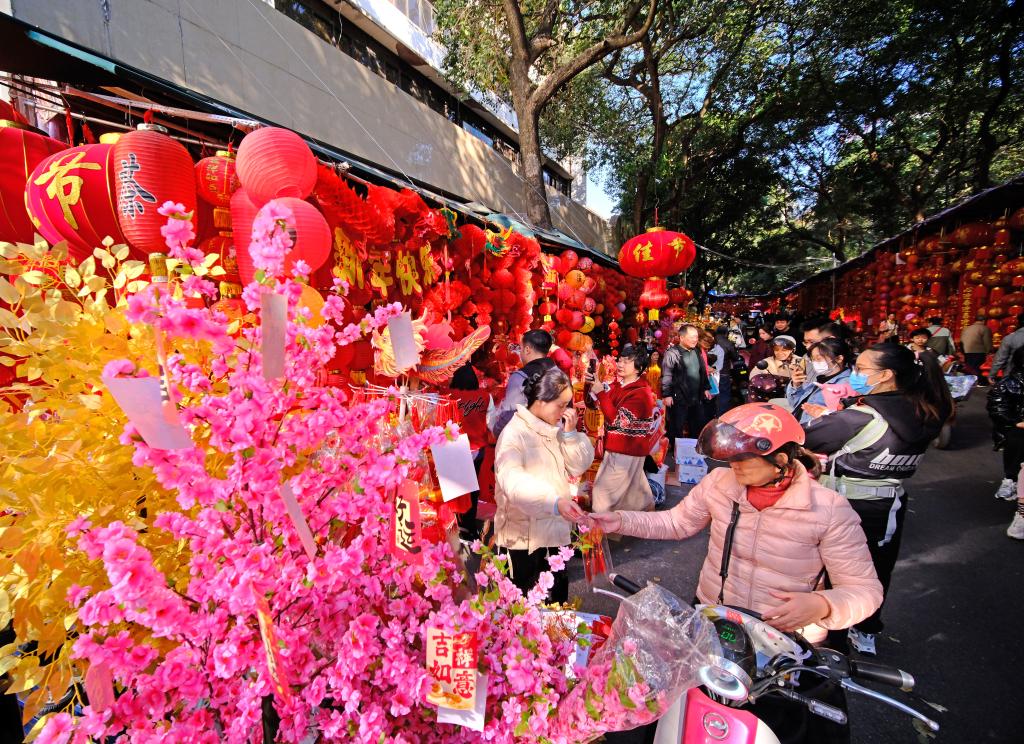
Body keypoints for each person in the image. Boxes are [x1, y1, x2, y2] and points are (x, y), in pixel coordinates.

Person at [591, 403, 882, 744]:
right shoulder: (719, 483)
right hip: (713, 625)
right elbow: (676, 522)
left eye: (743, 459)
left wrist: (822, 605)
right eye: (730, 458)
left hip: (784, 648)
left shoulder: (829, 510)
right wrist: (620, 520)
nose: (733, 466)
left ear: (781, 459)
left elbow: (864, 590)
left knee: (774, 728)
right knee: (687, 719)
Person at [803, 343, 952, 655]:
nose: (855, 374)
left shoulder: (860, 417)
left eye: (861, 369)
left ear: (886, 375)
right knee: (876, 571)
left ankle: (833, 645)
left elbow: (807, 437)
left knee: (834, 576)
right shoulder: (926, 410)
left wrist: (827, 419)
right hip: (889, 506)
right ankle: (866, 629)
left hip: (845, 506)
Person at [493, 364, 594, 602]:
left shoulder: (555, 430)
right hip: (522, 542)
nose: (565, 411)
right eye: (560, 405)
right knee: (522, 612)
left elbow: (578, 466)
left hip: (555, 534)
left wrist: (570, 435)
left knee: (555, 610)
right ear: (540, 400)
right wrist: (554, 502)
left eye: (567, 405)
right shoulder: (514, 434)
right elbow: (514, 483)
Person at [591, 344, 658, 513]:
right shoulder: (620, 386)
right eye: (620, 360)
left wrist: (600, 393)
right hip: (624, 447)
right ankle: (645, 517)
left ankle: (599, 525)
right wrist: (592, 386)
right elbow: (596, 403)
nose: (620, 364)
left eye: (627, 362)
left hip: (625, 449)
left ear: (638, 368)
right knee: (634, 492)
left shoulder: (641, 393)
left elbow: (617, 421)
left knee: (602, 494)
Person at [449, 363, 493, 541]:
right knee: (473, 489)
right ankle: (469, 527)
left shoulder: (449, 395)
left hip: (455, 447)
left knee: (457, 489)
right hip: (478, 448)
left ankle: (457, 524)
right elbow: (491, 421)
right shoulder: (485, 396)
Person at [489, 329, 553, 438]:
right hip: (553, 438)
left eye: (521, 348)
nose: (520, 353)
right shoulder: (560, 374)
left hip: (529, 441)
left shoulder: (520, 377)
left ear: (527, 350)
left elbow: (509, 415)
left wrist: (496, 430)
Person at [661, 325, 712, 458]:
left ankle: (694, 451)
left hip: (696, 396)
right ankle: (677, 452)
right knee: (677, 425)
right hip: (679, 395)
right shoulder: (672, 353)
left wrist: (706, 388)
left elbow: (702, 371)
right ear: (682, 338)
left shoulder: (696, 351)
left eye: (696, 337)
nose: (695, 340)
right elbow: (667, 374)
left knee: (697, 423)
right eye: (692, 337)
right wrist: (667, 394)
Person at [985, 345, 1024, 502]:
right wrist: (1017, 422)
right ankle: (1010, 480)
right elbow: (997, 407)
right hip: (1016, 426)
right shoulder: (1007, 383)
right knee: (1017, 438)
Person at [787, 337, 854, 423]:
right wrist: (796, 385)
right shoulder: (819, 378)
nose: (815, 363)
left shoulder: (846, 385)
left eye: (819, 359)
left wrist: (825, 413)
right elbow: (795, 404)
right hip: (798, 425)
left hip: (814, 429)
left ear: (839, 358)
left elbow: (844, 418)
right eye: (813, 359)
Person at [990, 312, 1024, 381]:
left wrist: (992, 375)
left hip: (1013, 376)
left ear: (1018, 323)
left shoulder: (1010, 338)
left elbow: (1000, 359)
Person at [960, 312, 993, 383]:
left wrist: (963, 352)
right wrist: (989, 351)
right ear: (984, 321)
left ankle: (968, 382)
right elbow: (987, 342)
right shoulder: (985, 328)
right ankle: (979, 382)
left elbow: (961, 341)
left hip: (966, 351)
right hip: (979, 351)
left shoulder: (966, 328)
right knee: (978, 368)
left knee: (969, 368)